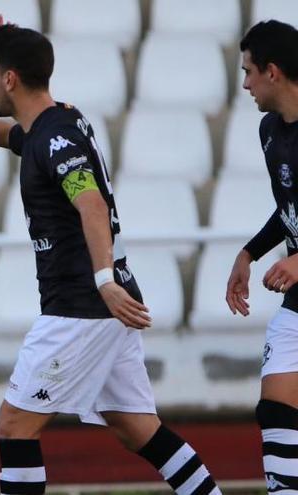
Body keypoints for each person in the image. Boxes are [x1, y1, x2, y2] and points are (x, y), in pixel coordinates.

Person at [0, 23, 222, 495]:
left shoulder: (53, 138)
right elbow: (2, 134)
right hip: (103, 304)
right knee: (137, 429)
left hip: (81, 307)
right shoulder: (54, 123)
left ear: (10, 80)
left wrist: (103, 280)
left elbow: (91, 203)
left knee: (13, 428)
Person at [225, 19, 298, 493]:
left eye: (249, 72)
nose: (246, 84)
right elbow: (289, 209)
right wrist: (249, 253)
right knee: (275, 406)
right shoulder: (270, 130)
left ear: (272, 71)